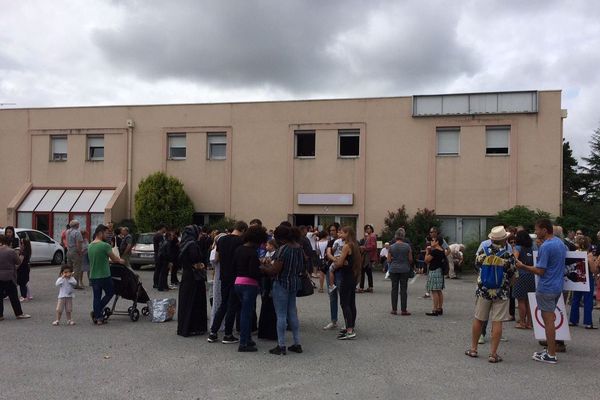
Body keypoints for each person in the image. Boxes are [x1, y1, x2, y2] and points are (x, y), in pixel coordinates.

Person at [515, 219, 567, 364]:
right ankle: (551, 349)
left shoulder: (546, 246)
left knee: (548, 321)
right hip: (557, 287)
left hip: (546, 288)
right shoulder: (560, 243)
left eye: (537, 229)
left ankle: (551, 354)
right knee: (551, 319)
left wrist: (523, 266)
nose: (536, 232)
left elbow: (540, 270)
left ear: (545, 230)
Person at [465, 226, 515, 363]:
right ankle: (493, 354)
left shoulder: (483, 252)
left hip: (484, 289)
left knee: (479, 318)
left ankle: (474, 349)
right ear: (505, 239)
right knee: (497, 321)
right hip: (501, 291)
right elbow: (512, 273)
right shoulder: (507, 254)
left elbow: (477, 267)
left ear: (491, 239)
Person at [262, 225, 304, 354]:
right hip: (294, 282)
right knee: (292, 312)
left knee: (280, 314)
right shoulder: (299, 248)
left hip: (281, 283)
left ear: (280, 237)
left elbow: (275, 270)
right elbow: (302, 267)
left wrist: (263, 267)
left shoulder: (283, 249)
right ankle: (297, 343)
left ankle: (281, 345)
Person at [207, 220, 248, 344]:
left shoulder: (221, 240)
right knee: (232, 306)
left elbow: (217, 258)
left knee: (223, 304)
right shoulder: (241, 242)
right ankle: (228, 335)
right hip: (236, 276)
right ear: (243, 230)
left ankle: (213, 332)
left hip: (224, 276)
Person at [233, 225, 268, 352]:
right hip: (249, 284)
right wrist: (264, 270)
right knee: (246, 314)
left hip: (238, 282)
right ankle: (243, 343)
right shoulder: (252, 252)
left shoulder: (239, 249)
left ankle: (247, 339)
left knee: (244, 312)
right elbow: (254, 272)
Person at [88, 224, 124, 325]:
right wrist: (121, 261)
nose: (107, 235)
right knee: (110, 292)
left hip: (93, 275)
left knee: (96, 297)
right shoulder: (105, 245)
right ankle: (97, 312)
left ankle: (98, 317)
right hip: (104, 275)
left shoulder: (90, 245)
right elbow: (114, 259)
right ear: (100, 233)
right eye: (105, 233)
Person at [177, 225, 208, 337]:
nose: (200, 235)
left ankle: (184, 327)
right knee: (194, 302)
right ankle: (194, 327)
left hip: (186, 275)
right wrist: (201, 265)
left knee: (186, 302)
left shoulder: (183, 244)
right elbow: (196, 261)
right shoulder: (193, 245)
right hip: (194, 277)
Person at [332, 226, 362, 340]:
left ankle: (349, 330)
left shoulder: (346, 246)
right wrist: (342, 261)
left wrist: (334, 258)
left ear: (347, 234)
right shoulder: (355, 246)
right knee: (351, 302)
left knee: (344, 303)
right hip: (353, 276)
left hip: (346, 276)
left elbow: (339, 263)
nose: (339, 234)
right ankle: (351, 326)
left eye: (341, 233)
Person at [569, 236, 598, 329]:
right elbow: (593, 269)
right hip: (587, 278)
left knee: (575, 299)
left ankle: (573, 320)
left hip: (578, 277)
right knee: (588, 300)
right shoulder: (589, 255)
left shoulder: (576, 253)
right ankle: (588, 322)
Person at [0, 234, 30, 320]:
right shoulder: (11, 251)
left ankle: (0, 315)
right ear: (9, 243)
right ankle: (18, 314)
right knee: (13, 296)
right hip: (9, 276)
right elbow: (17, 262)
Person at [512, 230, 536, 329]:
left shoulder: (518, 247)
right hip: (531, 274)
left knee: (521, 300)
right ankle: (529, 323)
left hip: (521, 275)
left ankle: (522, 322)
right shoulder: (532, 247)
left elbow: (515, 260)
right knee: (529, 300)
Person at [387, 228, 413, 315]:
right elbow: (410, 259)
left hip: (393, 269)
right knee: (403, 290)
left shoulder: (391, 247)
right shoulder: (407, 246)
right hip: (404, 269)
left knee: (394, 289)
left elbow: (388, 260)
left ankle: (394, 309)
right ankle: (403, 310)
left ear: (395, 236)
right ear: (403, 236)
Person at [323, 223, 343, 330]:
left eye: (334, 230)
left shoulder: (345, 242)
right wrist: (335, 259)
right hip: (331, 269)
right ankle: (333, 320)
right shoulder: (330, 242)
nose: (332, 232)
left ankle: (348, 322)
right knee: (332, 296)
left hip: (341, 271)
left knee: (343, 297)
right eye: (330, 230)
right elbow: (328, 253)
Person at [258, 239, 278, 340]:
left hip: (270, 281)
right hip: (266, 282)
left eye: (268, 245)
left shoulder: (276, 254)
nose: (266, 247)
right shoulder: (267, 253)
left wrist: (266, 264)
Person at [424, 237, 446, 316]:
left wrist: (427, 252)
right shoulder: (442, 250)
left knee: (434, 290)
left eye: (433, 240)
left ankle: (434, 309)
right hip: (440, 271)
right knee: (439, 290)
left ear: (437, 242)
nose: (431, 242)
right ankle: (440, 308)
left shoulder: (435, 251)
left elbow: (426, 260)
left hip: (434, 271)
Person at [358, 224, 377, 293]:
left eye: (369, 228)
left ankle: (361, 287)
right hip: (368, 256)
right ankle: (370, 287)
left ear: (371, 229)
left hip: (368, 256)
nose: (368, 229)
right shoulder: (369, 236)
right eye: (366, 228)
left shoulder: (372, 236)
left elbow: (373, 246)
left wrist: (364, 247)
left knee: (363, 271)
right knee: (368, 272)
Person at [66, 220, 84, 289]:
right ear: (76, 225)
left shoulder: (67, 231)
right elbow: (78, 244)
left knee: (69, 268)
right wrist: (80, 252)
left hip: (69, 250)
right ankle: (75, 284)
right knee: (77, 268)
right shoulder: (77, 232)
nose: (79, 225)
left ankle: (68, 282)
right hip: (75, 251)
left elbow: (66, 241)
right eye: (78, 224)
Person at [17, 237, 32, 301]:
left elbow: (19, 262)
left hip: (22, 269)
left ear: (24, 245)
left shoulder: (23, 252)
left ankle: (24, 296)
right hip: (25, 268)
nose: (20, 245)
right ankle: (28, 295)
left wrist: (15, 267)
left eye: (21, 243)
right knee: (24, 282)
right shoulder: (27, 251)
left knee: (22, 283)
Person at [152, 224, 167, 289]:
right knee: (159, 269)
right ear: (162, 228)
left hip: (156, 253)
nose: (165, 229)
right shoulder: (160, 235)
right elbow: (162, 246)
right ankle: (157, 283)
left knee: (157, 269)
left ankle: (155, 283)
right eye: (165, 228)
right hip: (159, 254)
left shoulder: (156, 235)